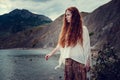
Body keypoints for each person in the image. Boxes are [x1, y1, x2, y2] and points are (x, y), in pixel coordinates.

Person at [45, 6, 91, 80]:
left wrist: (87, 62)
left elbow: (86, 46)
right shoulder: (66, 31)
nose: (66, 17)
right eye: (66, 15)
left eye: (68, 15)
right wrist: (50, 54)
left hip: (79, 62)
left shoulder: (83, 29)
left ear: (75, 15)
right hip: (68, 62)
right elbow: (60, 44)